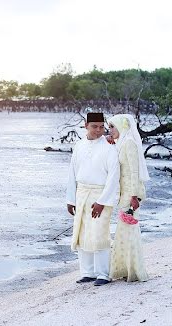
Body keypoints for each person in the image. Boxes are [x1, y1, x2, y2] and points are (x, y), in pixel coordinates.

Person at [66, 112, 120, 286]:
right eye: (94, 126)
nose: (98, 130)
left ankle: (103, 274)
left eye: (101, 126)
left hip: (101, 194)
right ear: (85, 126)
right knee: (82, 233)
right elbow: (72, 173)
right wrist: (70, 199)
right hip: (81, 193)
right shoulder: (79, 145)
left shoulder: (110, 146)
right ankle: (87, 272)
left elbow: (114, 177)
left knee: (99, 233)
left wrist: (102, 202)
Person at [106, 114, 150, 282]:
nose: (110, 130)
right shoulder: (121, 143)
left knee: (129, 231)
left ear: (121, 127)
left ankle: (133, 270)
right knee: (123, 232)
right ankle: (125, 269)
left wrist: (134, 196)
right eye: (109, 127)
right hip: (123, 193)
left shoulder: (130, 143)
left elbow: (134, 171)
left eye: (112, 127)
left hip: (130, 194)